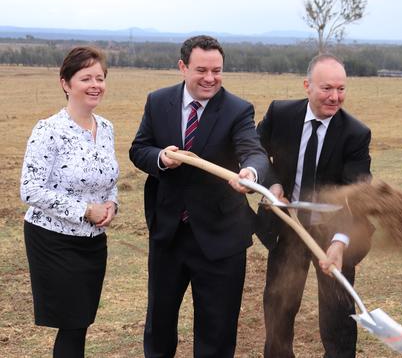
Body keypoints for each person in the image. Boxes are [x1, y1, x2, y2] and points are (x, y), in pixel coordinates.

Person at [129, 35, 269, 358]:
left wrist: (251, 173)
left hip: (221, 240)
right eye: (201, 70)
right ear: (183, 67)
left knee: (216, 335)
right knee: (159, 327)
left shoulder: (237, 109)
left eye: (217, 71)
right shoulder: (157, 101)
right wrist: (161, 158)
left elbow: (254, 151)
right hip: (169, 235)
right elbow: (139, 150)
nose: (210, 78)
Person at [256, 53, 372, 358]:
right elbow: (255, 151)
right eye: (327, 89)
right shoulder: (280, 114)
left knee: (338, 319)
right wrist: (272, 184)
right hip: (288, 225)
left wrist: (340, 243)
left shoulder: (356, 134)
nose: (335, 97)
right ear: (307, 85)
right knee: (279, 308)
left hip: (331, 233)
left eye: (341, 89)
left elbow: (358, 195)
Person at [20, 46, 118, 358]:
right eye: (85, 77)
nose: (95, 85)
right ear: (65, 83)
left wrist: (112, 205)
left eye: (100, 78)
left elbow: (108, 181)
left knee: (82, 321)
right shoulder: (48, 130)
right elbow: (29, 190)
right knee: (73, 323)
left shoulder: (106, 129)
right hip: (54, 240)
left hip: (93, 242)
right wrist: (85, 210)